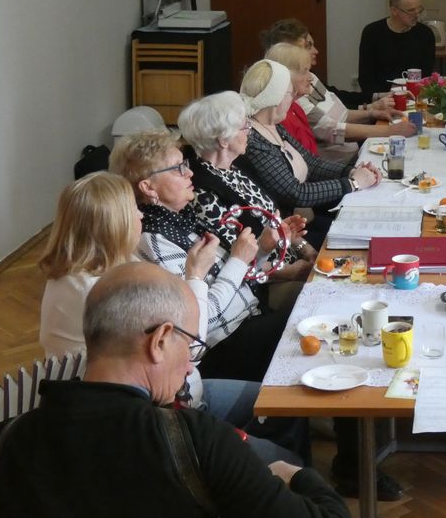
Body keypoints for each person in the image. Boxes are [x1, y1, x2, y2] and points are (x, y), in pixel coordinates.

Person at [0, 262, 412, 518]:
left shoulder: (3, 441)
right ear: (159, 340)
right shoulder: (193, 439)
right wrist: (300, 477)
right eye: (191, 346)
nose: (190, 366)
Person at [37, 171, 309, 466]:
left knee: (289, 401)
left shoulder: (92, 270)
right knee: (287, 459)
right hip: (166, 412)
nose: (140, 215)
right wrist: (196, 276)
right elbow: (193, 343)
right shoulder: (105, 288)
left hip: (185, 389)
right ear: (115, 223)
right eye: (132, 210)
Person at [110, 128, 289, 382]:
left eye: (185, 164)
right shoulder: (153, 240)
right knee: (300, 327)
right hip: (223, 346)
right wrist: (238, 260)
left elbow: (234, 279)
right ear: (148, 187)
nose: (190, 172)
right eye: (177, 169)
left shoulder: (183, 218)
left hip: (250, 318)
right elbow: (198, 324)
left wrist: (261, 250)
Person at [177, 90, 318, 306]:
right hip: (260, 286)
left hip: (289, 261)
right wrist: (291, 272)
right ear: (224, 140)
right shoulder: (204, 194)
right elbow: (236, 263)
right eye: (245, 127)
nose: (249, 133)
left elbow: (277, 225)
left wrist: (306, 250)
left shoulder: (238, 166)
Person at [236, 59, 382, 228]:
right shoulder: (253, 140)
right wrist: (353, 183)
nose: (293, 98)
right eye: (289, 93)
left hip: (302, 219)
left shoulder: (274, 126)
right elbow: (295, 193)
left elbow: (311, 162)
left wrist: (351, 171)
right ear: (276, 98)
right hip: (287, 229)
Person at [263, 32, 414, 157]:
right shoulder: (294, 105)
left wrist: (373, 112)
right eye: (304, 71)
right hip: (341, 159)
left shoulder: (303, 93)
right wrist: (389, 131)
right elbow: (332, 131)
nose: (310, 76)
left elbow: (341, 114)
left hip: (350, 152)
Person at [260, 17, 377, 109]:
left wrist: (375, 100)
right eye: (308, 46)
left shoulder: (310, 76)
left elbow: (334, 104)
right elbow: (328, 122)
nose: (316, 51)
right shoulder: (292, 91)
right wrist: (370, 108)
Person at [358, 0, 436, 98]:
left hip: (415, 98)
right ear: (394, 10)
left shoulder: (425, 34)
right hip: (382, 99)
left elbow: (426, 76)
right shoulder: (372, 33)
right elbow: (366, 78)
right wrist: (381, 98)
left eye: (419, 9)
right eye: (411, 10)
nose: (417, 15)